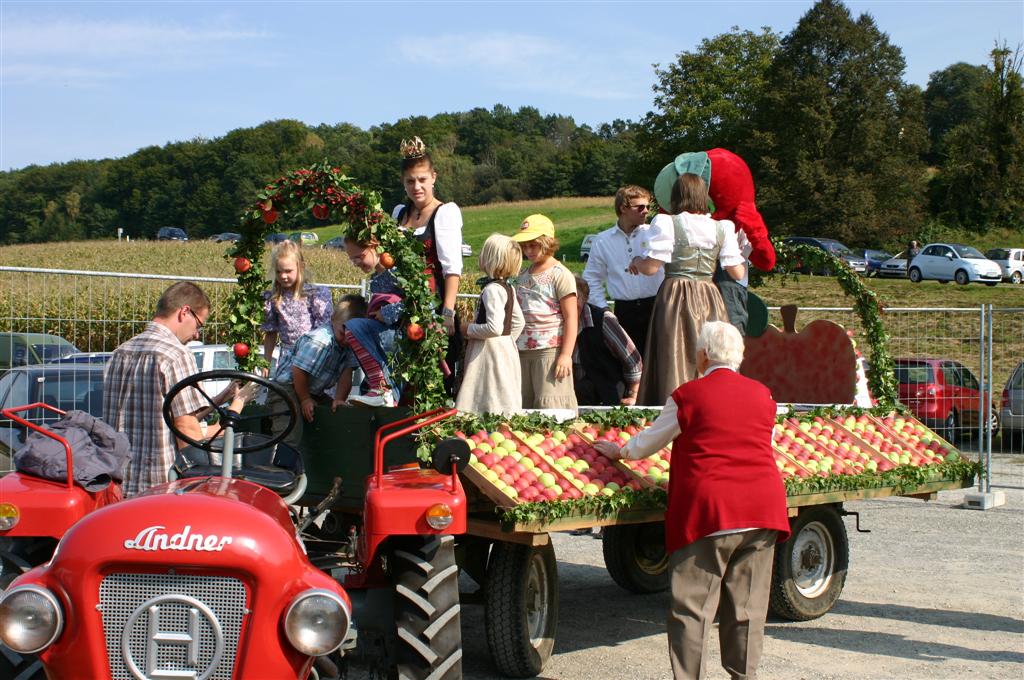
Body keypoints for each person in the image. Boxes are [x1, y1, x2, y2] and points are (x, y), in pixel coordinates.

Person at [593, 321, 790, 680]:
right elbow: (765, 440)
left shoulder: (688, 396)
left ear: (702, 355)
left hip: (709, 511)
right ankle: (743, 676)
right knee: (747, 608)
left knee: (693, 610)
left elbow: (650, 441)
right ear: (739, 357)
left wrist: (619, 451)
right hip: (762, 509)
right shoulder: (764, 395)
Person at [103, 282, 247, 497]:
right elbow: (188, 434)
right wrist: (234, 410)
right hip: (159, 486)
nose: (197, 334)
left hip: (116, 485)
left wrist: (223, 396)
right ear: (184, 312)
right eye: (199, 325)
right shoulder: (176, 355)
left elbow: (160, 416)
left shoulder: (120, 353)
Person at [632, 173, 745, 405]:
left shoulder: (667, 223)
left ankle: (673, 408)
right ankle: (713, 404)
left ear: (676, 196)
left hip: (675, 295)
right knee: (711, 351)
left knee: (675, 352)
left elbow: (652, 268)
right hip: (709, 294)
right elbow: (738, 273)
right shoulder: (722, 227)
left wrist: (637, 262)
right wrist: (744, 253)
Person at [392, 136, 463, 393]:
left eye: (422, 179)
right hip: (400, 306)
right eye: (410, 181)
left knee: (432, 374)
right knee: (401, 373)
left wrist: (447, 313)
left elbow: (452, 268)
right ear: (403, 182)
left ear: (434, 177)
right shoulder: (399, 214)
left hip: (432, 305)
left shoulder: (445, 213)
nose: (417, 186)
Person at [267, 296, 366, 450]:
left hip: (313, 391)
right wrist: (305, 399)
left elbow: (347, 374)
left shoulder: (349, 344)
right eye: (343, 331)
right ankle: (281, 467)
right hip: (287, 387)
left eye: (353, 335)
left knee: (333, 417)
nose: (347, 338)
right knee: (290, 429)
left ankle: (324, 466)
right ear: (333, 319)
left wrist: (339, 400)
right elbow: (298, 370)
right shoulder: (321, 340)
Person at [581, 185, 664, 360]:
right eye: (640, 207)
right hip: (624, 311)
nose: (646, 211)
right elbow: (592, 277)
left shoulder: (654, 234)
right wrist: (603, 309)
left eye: (648, 207)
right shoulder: (602, 240)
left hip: (656, 306)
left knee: (658, 360)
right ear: (623, 208)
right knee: (628, 363)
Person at [512, 214, 578, 410]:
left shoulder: (561, 274)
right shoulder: (522, 274)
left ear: (547, 242)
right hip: (522, 349)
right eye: (525, 246)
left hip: (549, 351)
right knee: (525, 403)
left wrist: (566, 354)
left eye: (534, 245)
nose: (528, 250)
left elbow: (571, 317)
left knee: (550, 404)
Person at [455, 234, 525, 415]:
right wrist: (506, 341)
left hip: (488, 353)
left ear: (491, 259)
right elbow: (518, 322)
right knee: (502, 395)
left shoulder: (492, 290)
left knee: (485, 395)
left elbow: (494, 327)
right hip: (504, 350)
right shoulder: (508, 287)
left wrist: (468, 329)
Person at [342, 235, 404, 407]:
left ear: (374, 246)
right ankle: (379, 387)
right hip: (384, 335)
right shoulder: (375, 280)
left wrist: (387, 312)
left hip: (400, 336)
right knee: (355, 327)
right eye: (352, 259)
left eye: (359, 256)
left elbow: (417, 303)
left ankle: (382, 389)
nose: (356, 263)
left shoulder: (398, 273)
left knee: (354, 327)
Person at [261, 240, 333, 371]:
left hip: (312, 355)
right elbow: (271, 332)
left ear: (301, 267)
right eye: (278, 272)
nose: (283, 276)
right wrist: (266, 362)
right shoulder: (274, 297)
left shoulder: (313, 294)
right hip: (287, 357)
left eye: (288, 271)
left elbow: (323, 330)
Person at [572, 276, 642, 406]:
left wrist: (633, 394)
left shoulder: (603, 320)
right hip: (574, 394)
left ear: (585, 298)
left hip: (606, 393)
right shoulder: (555, 321)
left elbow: (632, 359)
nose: (569, 304)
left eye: (575, 298)